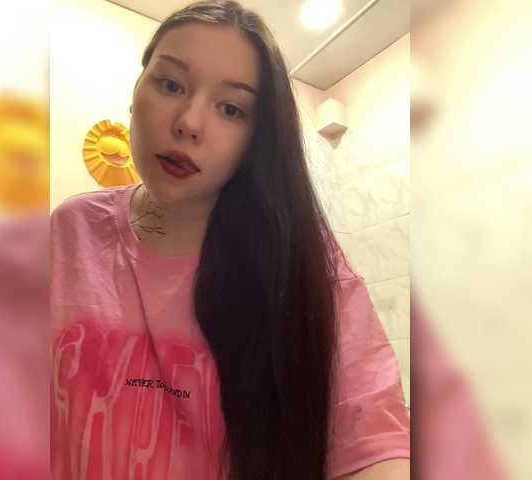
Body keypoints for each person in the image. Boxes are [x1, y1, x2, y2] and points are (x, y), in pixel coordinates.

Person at [50, 1, 410, 479]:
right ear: (136, 92)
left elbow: (372, 441)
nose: (189, 122)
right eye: (171, 84)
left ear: (255, 140)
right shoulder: (70, 229)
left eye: (231, 109)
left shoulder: (298, 257)